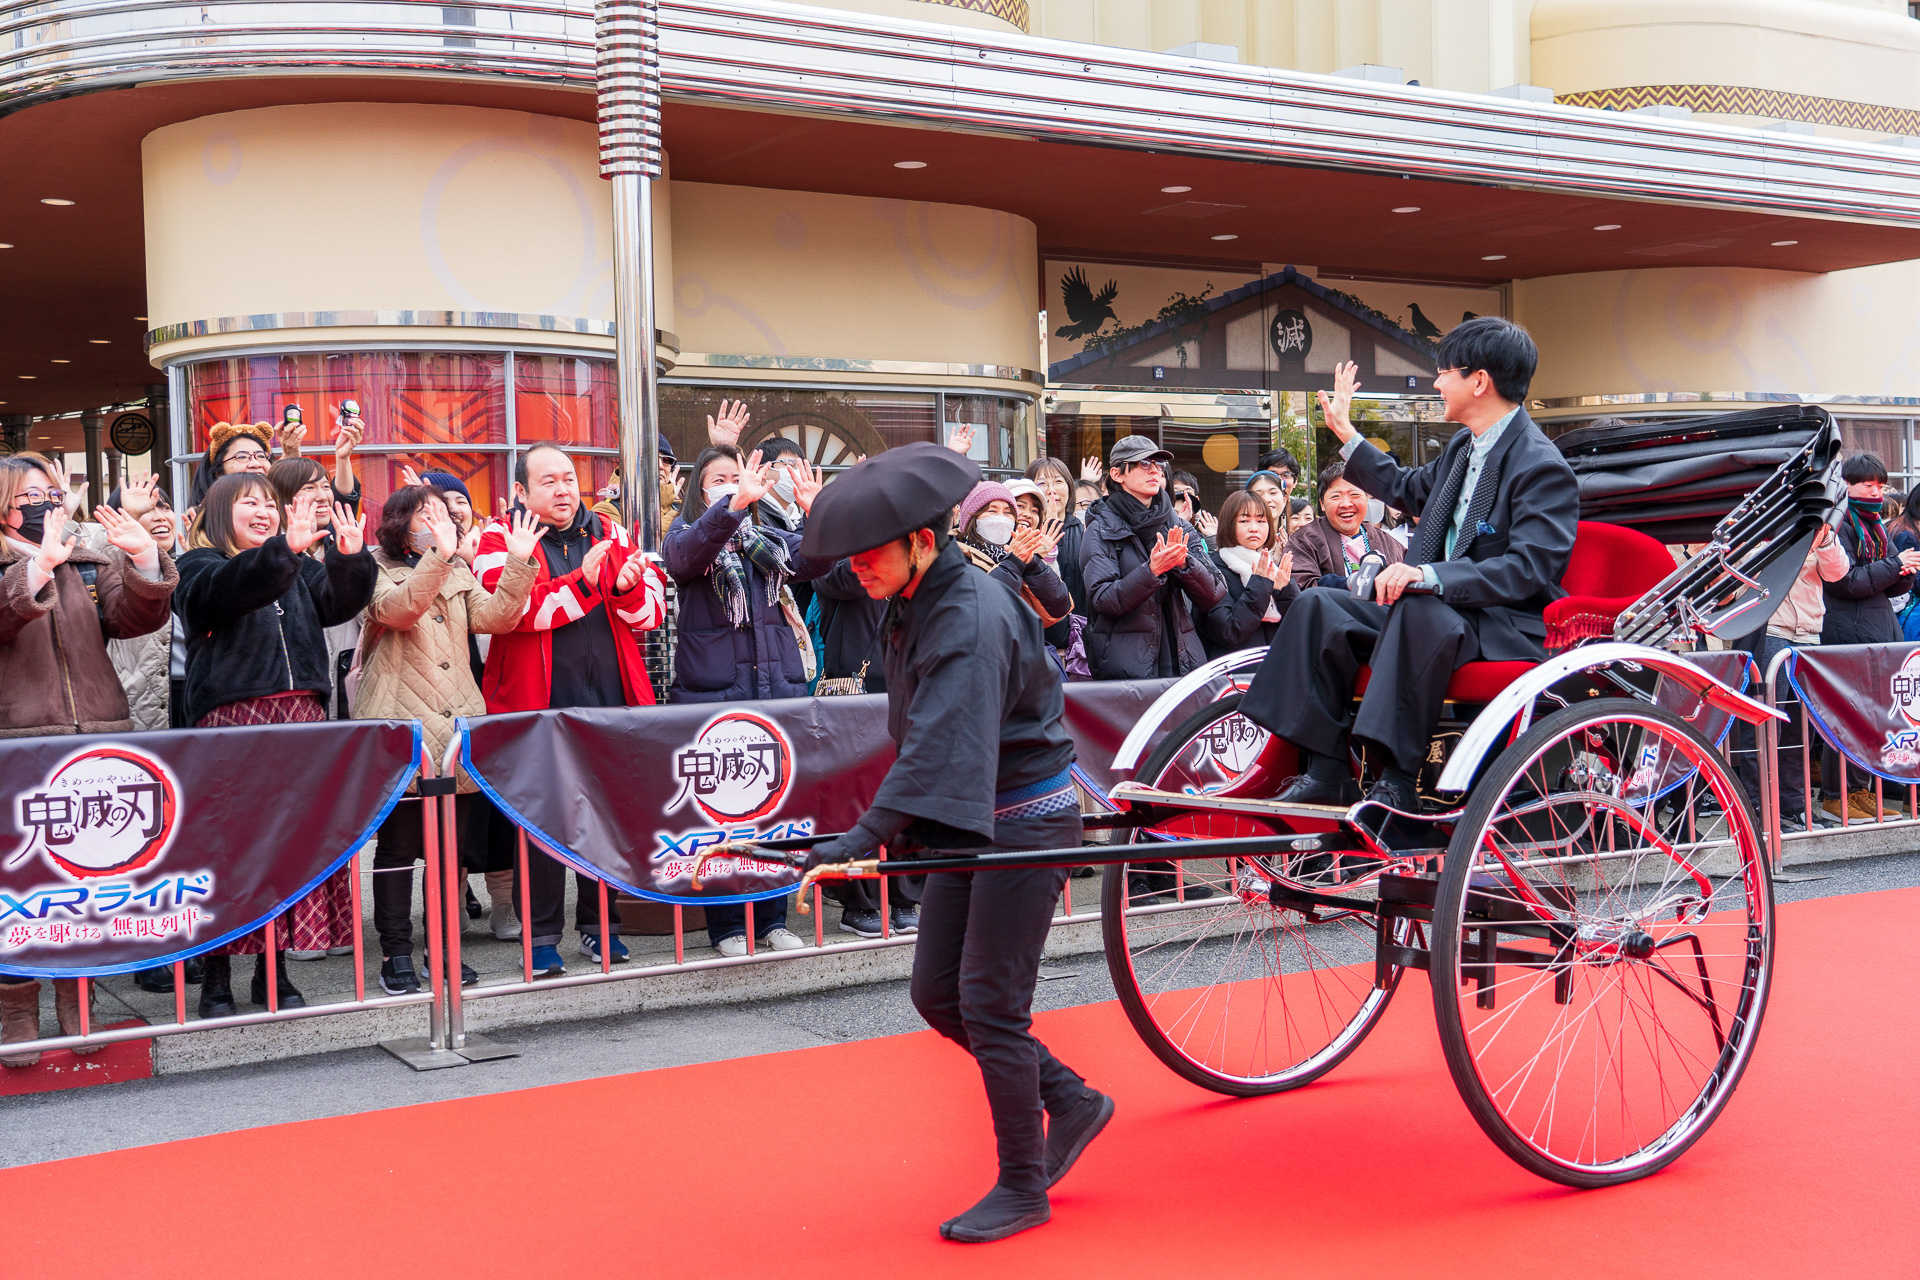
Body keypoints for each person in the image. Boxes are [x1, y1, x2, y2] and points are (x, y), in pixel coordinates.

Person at [798, 442, 1112, 1244]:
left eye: (869, 555)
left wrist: (864, 837)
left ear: (922, 542)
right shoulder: (918, 595)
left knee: (989, 1006)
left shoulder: (966, 613)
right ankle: (1071, 1099)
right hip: (978, 816)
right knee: (938, 993)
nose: (858, 569)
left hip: (1028, 817)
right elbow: (926, 738)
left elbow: (939, 740)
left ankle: (1023, 1184)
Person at [1240, 318, 1577, 812]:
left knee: (1419, 606)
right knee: (1317, 605)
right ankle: (1325, 766)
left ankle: (1398, 779)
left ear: (1478, 381)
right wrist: (1347, 434)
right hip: (1435, 612)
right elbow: (1405, 487)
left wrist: (1430, 575)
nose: (1436, 383)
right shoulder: (1465, 447)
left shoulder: (1540, 464)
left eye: (1444, 372)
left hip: (1498, 620)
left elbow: (1528, 568)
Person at [174, 472, 376, 1016]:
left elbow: (338, 604)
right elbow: (228, 592)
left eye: (270, 502)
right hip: (235, 720)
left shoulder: (297, 562)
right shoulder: (200, 564)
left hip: (302, 715)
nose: (264, 510)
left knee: (292, 845)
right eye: (250, 503)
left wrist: (351, 559)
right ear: (220, 512)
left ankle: (274, 968)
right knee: (229, 849)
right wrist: (283, 550)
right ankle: (216, 976)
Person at [0, 453, 177, 1066]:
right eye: (31, 496)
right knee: (20, 887)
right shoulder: (23, 561)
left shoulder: (82, 558)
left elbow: (131, 619)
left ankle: (78, 1002)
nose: (46, 504)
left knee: (86, 884)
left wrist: (142, 558)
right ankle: (16, 1009)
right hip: (19, 744)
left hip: (95, 737)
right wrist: (36, 569)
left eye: (52, 492)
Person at [475, 442, 667, 976]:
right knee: (540, 825)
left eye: (568, 479)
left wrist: (626, 589)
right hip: (534, 708)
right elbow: (516, 614)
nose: (563, 490)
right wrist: (586, 581)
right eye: (548, 481)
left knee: (605, 820)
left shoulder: (613, 532)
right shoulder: (498, 538)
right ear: (520, 491)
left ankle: (601, 928)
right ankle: (540, 937)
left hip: (610, 698)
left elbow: (649, 612)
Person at [354, 485, 541, 993]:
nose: (439, 522)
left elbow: (498, 618)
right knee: (397, 849)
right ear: (399, 522)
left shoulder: (456, 569)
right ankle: (396, 955)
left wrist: (520, 565)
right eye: (425, 514)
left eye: (442, 514)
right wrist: (442, 553)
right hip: (402, 723)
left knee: (448, 851)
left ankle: (444, 952)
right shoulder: (372, 566)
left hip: (456, 726)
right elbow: (397, 611)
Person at [665, 443, 829, 955]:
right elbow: (685, 558)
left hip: (774, 691)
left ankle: (775, 917)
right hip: (713, 697)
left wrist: (814, 511)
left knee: (776, 811)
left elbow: (815, 561)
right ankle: (728, 927)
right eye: (718, 479)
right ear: (701, 489)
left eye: (738, 477)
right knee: (723, 815)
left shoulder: (767, 540)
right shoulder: (685, 536)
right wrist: (729, 509)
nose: (732, 484)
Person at [1818, 452, 1920, 819]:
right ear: (1846, 484)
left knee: (1875, 714)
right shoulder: (1838, 522)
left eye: (1881, 485)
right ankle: (1837, 794)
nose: (1876, 492)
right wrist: (1896, 565)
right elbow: (1845, 583)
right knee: (1850, 714)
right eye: (1868, 485)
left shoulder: (1875, 524)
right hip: (1848, 628)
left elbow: (1890, 585)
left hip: (1878, 627)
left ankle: (1859, 790)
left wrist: (1903, 570)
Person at [1729, 523, 1847, 832]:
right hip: (1768, 632)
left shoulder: (1816, 529)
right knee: (1763, 726)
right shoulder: (1752, 531)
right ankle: (1757, 806)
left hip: (1809, 636)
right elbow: (1737, 580)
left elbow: (1837, 573)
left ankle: (1794, 806)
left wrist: (1826, 538)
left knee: (1800, 730)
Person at [1080, 436, 1227, 680]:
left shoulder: (1177, 524)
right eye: (1144, 464)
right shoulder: (1100, 529)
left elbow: (1215, 594)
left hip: (1182, 658)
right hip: (1125, 664)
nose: (1155, 471)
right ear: (1118, 474)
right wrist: (1152, 571)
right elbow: (1103, 599)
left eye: (1158, 465)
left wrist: (1184, 564)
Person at [955, 481, 1072, 627]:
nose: (1001, 518)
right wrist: (1014, 563)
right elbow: (981, 611)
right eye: (992, 511)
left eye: (1008, 512)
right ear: (972, 518)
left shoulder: (1018, 553)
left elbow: (1058, 608)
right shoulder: (955, 555)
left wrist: (1033, 564)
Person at [1199, 489, 1294, 658]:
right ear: (1228, 524)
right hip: (1233, 673)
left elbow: (1297, 624)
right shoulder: (1212, 567)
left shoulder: (1269, 565)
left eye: (1261, 520)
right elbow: (1229, 632)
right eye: (1244, 520)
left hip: (1273, 667)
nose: (1254, 528)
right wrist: (1260, 584)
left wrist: (1284, 590)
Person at [1286, 461, 1407, 590]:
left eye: (1354, 494)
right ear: (1322, 503)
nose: (1346, 504)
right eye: (1336, 496)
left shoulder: (1389, 543)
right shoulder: (1303, 541)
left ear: (1367, 500)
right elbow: (1303, 588)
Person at [187, 421, 274, 514]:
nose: (255, 464)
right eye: (242, 457)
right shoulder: (202, 519)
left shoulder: (284, 509)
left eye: (261, 456)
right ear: (219, 473)